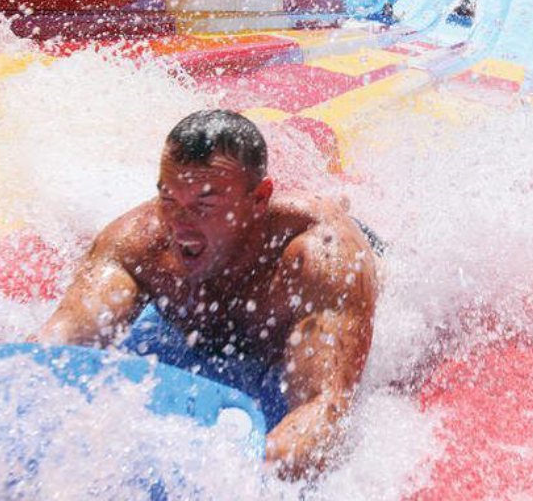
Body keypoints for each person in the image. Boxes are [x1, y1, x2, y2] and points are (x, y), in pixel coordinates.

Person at [36, 109, 381, 480]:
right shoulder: (137, 246)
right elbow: (59, 345)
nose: (180, 224)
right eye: (168, 199)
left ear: (259, 199)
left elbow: (325, 407)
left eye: (205, 204)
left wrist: (233, 480)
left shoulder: (319, 256)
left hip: (356, 252)